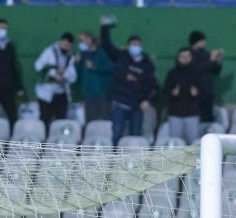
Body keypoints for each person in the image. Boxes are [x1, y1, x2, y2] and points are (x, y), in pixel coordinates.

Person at [100, 17, 159, 145]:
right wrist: (105, 27)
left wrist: (147, 100)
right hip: (119, 103)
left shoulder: (147, 64)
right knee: (117, 133)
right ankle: (114, 161)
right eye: (133, 44)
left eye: (138, 45)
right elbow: (106, 45)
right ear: (128, 46)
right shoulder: (120, 57)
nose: (135, 47)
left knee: (135, 135)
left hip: (137, 105)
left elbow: (153, 85)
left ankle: (133, 163)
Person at [34, 33, 77, 125]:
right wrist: (53, 73)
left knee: (61, 119)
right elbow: (38, 66)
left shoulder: (70, 57)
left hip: (61, 92)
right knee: (45, 118)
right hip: (46, 92)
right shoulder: (49, 52)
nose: (66, 47)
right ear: (60, 42)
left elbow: (73, 75)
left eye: (69, 45)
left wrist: (64, 76)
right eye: (65, 44)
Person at [163, 48, 202, 145]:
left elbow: (205, 93)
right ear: (178, 58)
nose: (185, 59)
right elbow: (164, 91)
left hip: (192, 114)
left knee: (193, 145)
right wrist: (172, 92)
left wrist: (197, 93)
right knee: (175, 144)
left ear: (191, 58)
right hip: (175, 114)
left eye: (187, 56)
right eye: (182, 57)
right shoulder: (172, 73)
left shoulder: (197, 73)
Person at [76, 31, 114, 123]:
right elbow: (80, 74)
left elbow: (111, 68)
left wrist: (95, 67)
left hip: (102, 93)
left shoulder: (103, 52)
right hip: (88, 93)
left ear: (89, 40)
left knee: (105, 120)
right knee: (90, 122)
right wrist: (77, 63)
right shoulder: (83, 55)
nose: (80, 43)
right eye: (79, 41)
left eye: (82, 40)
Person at [188, 30, 223, 123]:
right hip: (195, 95)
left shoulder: (205, 53)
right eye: (202, 41)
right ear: (196, 41)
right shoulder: (189, 54)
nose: (205, 43)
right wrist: (211, 59)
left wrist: (218, 60)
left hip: (207, 92)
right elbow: (197, 70)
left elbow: (215, 71)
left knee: (207, 120)